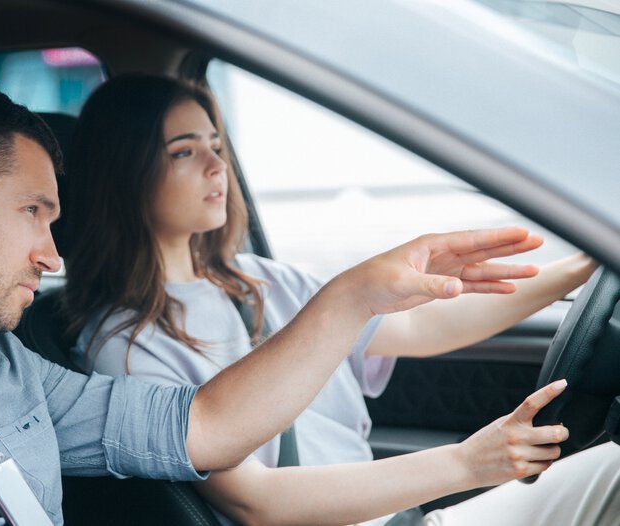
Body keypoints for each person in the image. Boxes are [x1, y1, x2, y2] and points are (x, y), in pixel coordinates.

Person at [0, 82, 580, 525]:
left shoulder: (2, 368)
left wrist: (354, 292)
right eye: (32, 213)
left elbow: (206, 428)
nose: (49, 250)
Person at [62, 74, 619, 526]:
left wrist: (587, 264)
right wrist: (466, 463)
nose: (217, 166)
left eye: (216, 145)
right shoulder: (126, 343)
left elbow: (428, 329)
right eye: (184, 152)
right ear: (125, 173)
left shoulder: (260, 280)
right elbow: (257, 503)